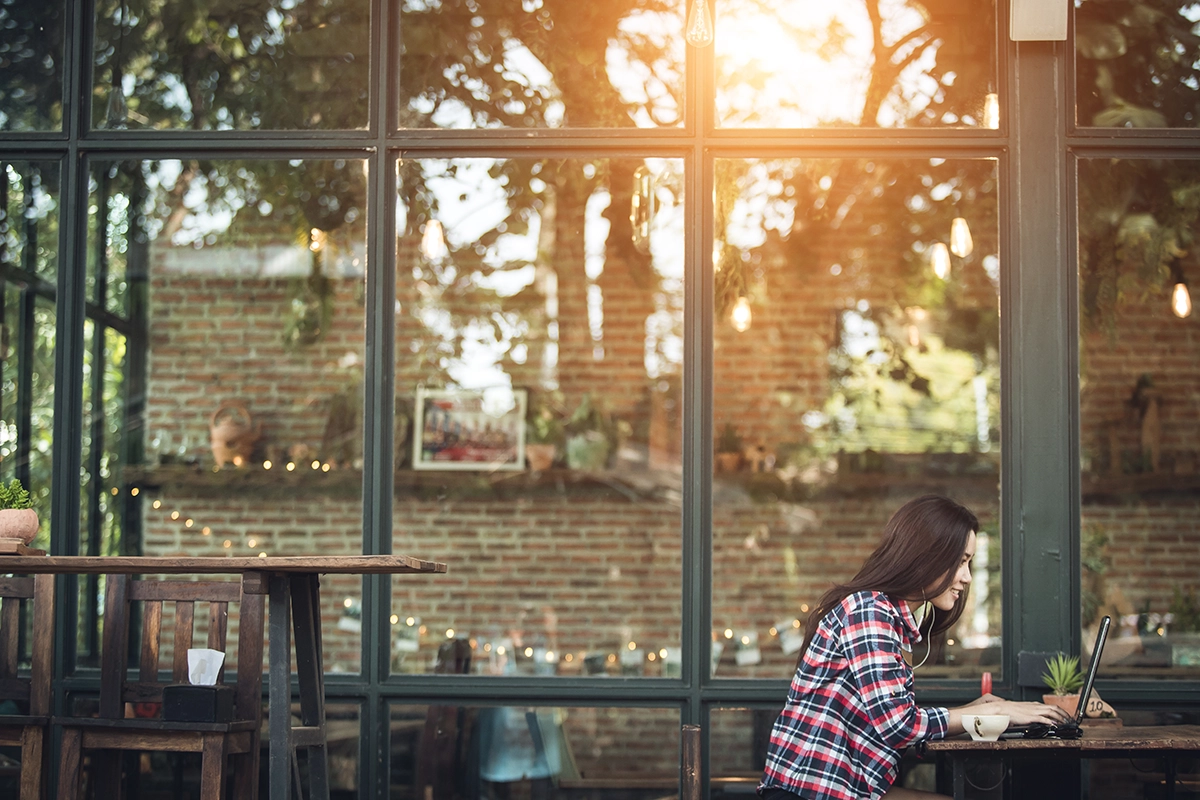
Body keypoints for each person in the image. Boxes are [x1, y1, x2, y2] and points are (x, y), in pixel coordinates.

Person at [758, 494, 1073, 800]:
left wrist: (976, 710)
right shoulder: (869, 611)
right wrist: (994, 710)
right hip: (809, 790)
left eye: (970, 563)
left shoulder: (892, 620)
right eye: (960, 562)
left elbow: (895, 723)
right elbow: (898, 725)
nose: (966, 577)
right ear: (926, 557)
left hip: (846, 787)